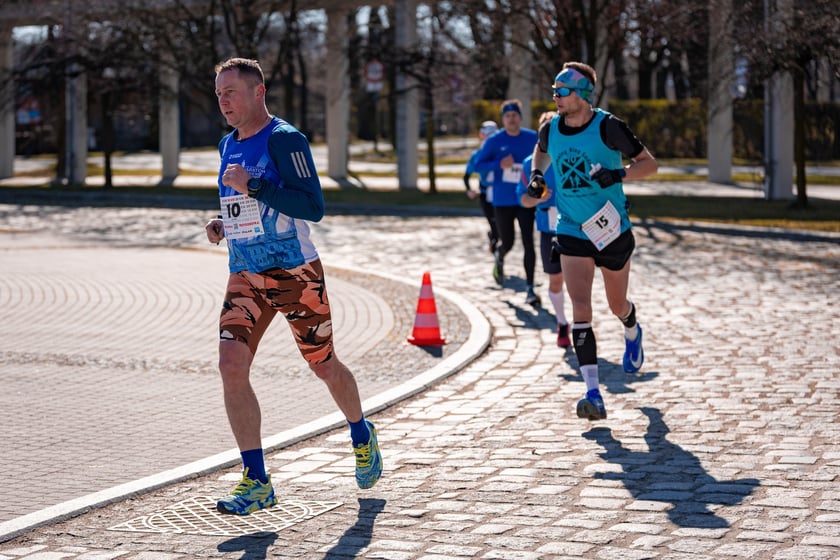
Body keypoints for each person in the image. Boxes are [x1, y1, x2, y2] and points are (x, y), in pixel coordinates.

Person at [205, 57, 382, 515]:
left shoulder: (285, 140)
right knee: (230, 365)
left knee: (323, 365)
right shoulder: (227, 144)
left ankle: (361, 432)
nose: (223, 100)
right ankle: (257, 480)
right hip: (245, 273)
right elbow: (243, 201)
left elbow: (312, 206)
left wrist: (257, 186)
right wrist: (223, 223)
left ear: (258, 92)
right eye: (219, 92)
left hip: (294, 273)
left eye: (231, 91)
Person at [528, 62, 658, 421]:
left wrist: (618, 174)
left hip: (611, 230)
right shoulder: (550, 127)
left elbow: (650, 164)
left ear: (582, 93)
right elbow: (541, 149)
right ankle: (593, 393)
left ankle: (632, 330)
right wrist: (538, 174)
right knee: (580, 310)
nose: (555, 96)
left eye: (562, 90)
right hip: (571, 230)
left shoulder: (608, 127)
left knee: (617, 305)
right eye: (553, 90)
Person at [474, 99, 541, 307]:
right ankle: (500, 256)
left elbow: (546, 158)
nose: (511, 119)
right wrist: (499, 164)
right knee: (508, 241)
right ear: (503, 119)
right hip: (503, 199)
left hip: (526, 198)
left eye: (514, 115)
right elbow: (477, 164)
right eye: (507, 116)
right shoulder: (494, 141)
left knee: (528, 241)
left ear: (520, 117)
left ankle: (530, 288)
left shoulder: (532, 138)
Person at [517, 112, 571, 348]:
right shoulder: (530, 164)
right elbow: (523, 201)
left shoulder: (570, 156)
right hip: (548, 228)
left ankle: (581, 326)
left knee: (580, 278)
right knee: (556, 279)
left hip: (575, 224)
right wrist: (537, 199)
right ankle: (562, 322)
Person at [463, 120, 500, 254]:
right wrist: (469, 190)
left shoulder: (502, 152)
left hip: (500, 194)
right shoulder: (476, 155)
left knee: (502, 228)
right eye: (487, 135)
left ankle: (495, 240)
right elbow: (466, 175)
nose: (490, 138)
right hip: (485, 194)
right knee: (494, 225)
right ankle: (495, 248)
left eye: (493, 135)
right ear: (481, 135)